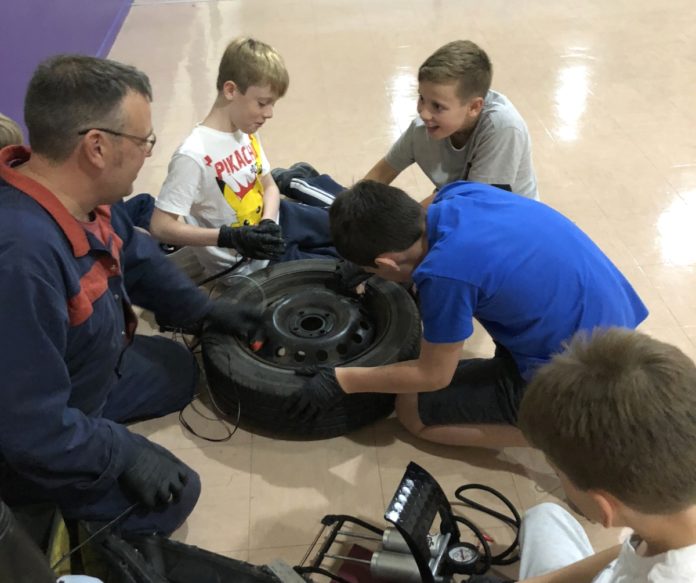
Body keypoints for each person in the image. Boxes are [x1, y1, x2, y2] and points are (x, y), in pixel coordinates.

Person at [0, 54, 264, 535]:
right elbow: (26, 426)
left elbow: (138, 261)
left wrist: (209, 311)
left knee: (180, 370)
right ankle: (39, 513)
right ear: (96, 147)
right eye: (144, 141)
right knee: (176, 495)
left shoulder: (86, 201)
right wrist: (119, 451)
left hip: (83, 369)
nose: (148, 153)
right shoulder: (21, 262)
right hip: (26, 436)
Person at [284, 180, 648, 449]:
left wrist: (342, 380)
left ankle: (562, 435)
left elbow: (433, 375)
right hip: (616, 327)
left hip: (579, 374)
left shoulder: (444, 275)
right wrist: (365, 265)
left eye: (375, 270)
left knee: (414, 414)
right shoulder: (461, 194)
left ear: (386, 261)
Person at [515, 328, 696, 582]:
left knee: (543, 518)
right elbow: (630, 551)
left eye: (558, 474)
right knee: (543, 516)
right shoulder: (666, 522)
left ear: (605, 509)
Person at [150, 37, 337, 281]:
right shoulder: (193, 155)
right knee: (341, 273)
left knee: (353, 232)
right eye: (262, 103)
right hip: (249, 264)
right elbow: (161, 226)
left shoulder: (246, 131)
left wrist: (268, 222)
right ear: (231, 90)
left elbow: (269, 185)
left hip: (279, 220)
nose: (269, 114)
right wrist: (228, 237)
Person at [273, 39, 538, 208]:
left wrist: (400, 232)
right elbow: (378, 176)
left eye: (438, 106)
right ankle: (300, 181)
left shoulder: (503, 128)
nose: (424, 112)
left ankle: (301, 181)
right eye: (421, 98)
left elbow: (472, 205)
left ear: (474, 107)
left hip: (499, 220)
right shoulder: (423, 128)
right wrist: (353, 211)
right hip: (455, 204)